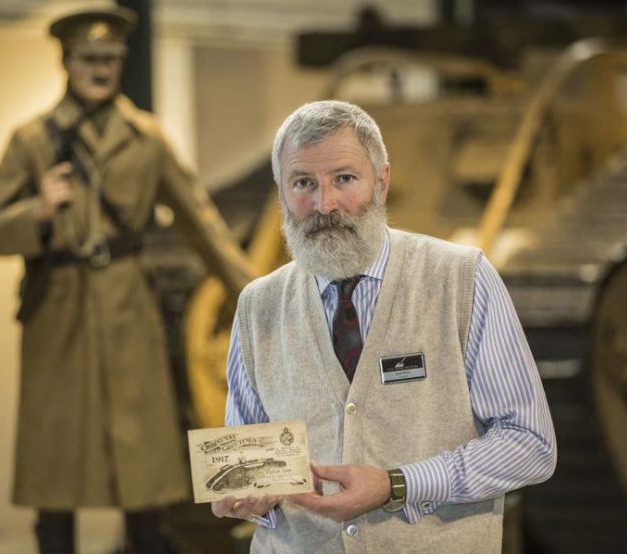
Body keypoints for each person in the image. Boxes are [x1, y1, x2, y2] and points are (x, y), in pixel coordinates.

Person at [0, 7, 256, 554]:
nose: (101, 70)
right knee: (55, 462)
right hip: (59, 309)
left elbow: (203, 225)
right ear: (67, 62)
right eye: (89, 59)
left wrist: (260, 294)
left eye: (111, 59)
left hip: (128, 304)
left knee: (142, 460)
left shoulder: (145, 138)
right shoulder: (32, 140)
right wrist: (37, 210)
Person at [211, 100, 557, 552]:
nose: (325, 204)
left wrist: (399, 484)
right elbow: (251, 470)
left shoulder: (461, 279)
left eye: (345, 179)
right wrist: (243, 496)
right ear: (281, 192)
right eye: (303, 183)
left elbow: (530, 444)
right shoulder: (258, 305)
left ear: (382, 182)